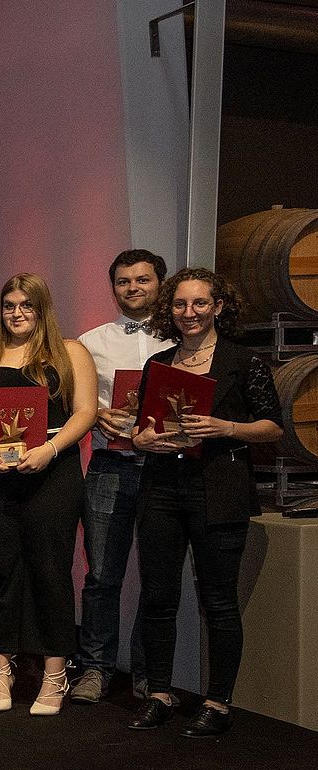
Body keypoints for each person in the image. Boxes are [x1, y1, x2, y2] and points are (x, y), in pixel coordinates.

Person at [128, 269, 282, 737]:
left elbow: (273, 428)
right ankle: (159, 693)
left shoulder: (243, 361)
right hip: (161, 489)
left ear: (218, 306)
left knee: (218, 600)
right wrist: (144, 441)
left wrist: (226, 428)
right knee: (157, 597)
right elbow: (139, 431)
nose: (188, 313)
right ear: (168, 310)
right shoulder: (159, 364)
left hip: (220, 489)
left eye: (198, 304)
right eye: (179, 305)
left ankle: (218, 703)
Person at [0, 274, 97, 715]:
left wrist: (51, 450)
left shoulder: (69, 351)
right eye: (9, 306)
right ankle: (2, 673)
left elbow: (86, 412)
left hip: (52, 475)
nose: (17, 314)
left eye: (27, 306)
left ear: (42, 309)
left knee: (50, 572)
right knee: (0, 573)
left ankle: (55, 674)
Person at [72, 249, 168, 705]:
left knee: (157, 576)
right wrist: (96, 417)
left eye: (142, 280)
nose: (133, 288)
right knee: (102, 576)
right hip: (111, 466)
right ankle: (95, 668)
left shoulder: (184, 341)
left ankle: (149, 674)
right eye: (124, 281)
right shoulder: (90, 342)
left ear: (160, 284)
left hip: (167, 471)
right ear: (113, 288)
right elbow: (76, 405)